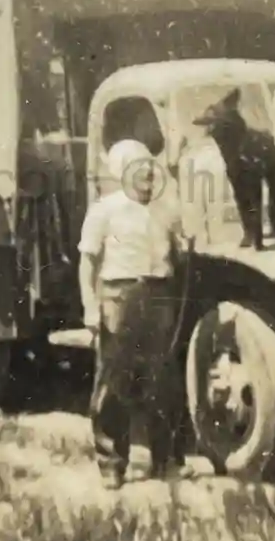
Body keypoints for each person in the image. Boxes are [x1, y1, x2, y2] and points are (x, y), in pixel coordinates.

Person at [78, 139, 194, 489]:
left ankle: (166, 461)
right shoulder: (104, 210)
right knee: (114, 382)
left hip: (159, 295)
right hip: (118, 296)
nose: (146, 172)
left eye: (149, 166)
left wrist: (185, 245)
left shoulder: (165, 209)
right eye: (137, 166)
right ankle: (112, 464)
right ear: (120, 172)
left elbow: (178, 254)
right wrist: (89, 306)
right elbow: (87, 263)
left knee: (162, 380)